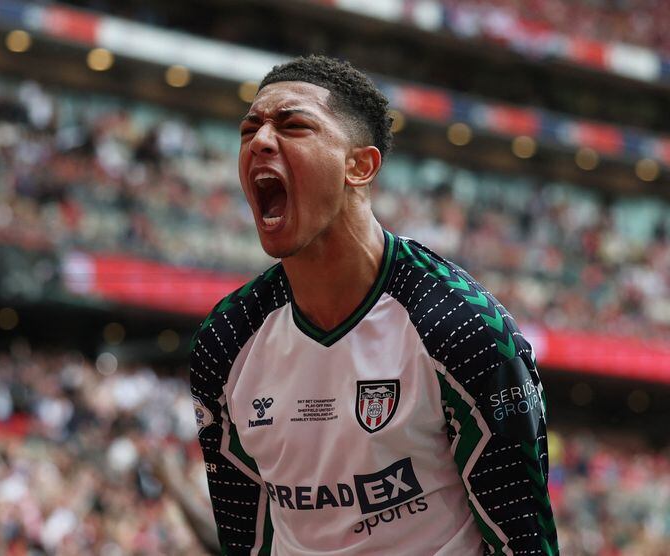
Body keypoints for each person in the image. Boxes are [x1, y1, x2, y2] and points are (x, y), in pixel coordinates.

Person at [190, 55, 557, 555]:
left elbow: (526, 545)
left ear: (360, 165)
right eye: (248, 128)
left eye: (293, 125)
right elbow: (243, 543)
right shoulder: (225, 341)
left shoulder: (465, 330)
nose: (259, 141)